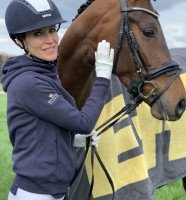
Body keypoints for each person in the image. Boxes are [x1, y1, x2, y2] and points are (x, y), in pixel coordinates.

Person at [1, 0, 114, 199]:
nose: (51, 40)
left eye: (52, 30)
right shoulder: (29, 82)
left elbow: (42, 128)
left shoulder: (44, 73)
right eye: (38, 33)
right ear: (20, 41)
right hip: (35, 194)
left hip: (52, 191)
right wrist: (102, 77)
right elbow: (83, 123)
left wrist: (71, 140)